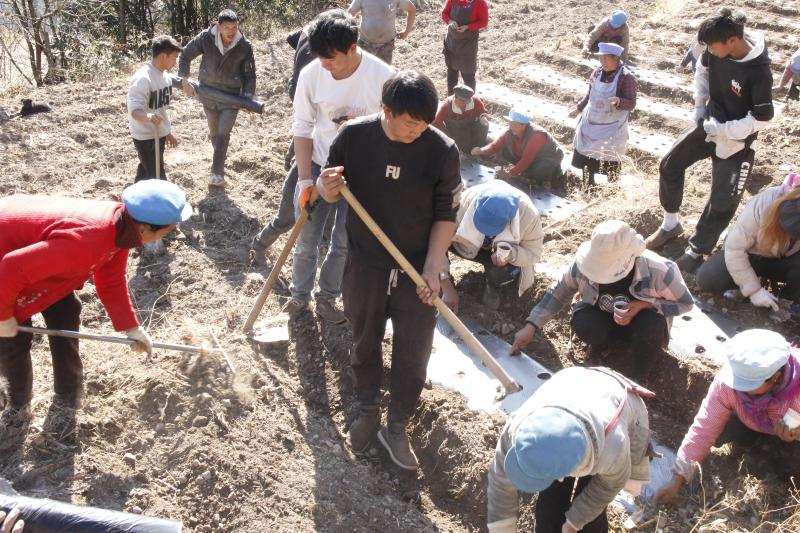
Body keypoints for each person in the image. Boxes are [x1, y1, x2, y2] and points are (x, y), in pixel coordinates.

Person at [316, 71, 461, 470]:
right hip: (365, 263)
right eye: (411, 123)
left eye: (425, 123)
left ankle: (396, 425)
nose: (418, 130)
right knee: (364, 338)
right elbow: (328, 189)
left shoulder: (442, 151)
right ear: (387, 111)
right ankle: (367, 408)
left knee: (414, 349)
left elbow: (446, 215)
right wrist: (327, 186)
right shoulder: (354, 137)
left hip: (417, 269)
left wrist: (434, 269)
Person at [0, 180, 192, 419]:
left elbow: (111, 281)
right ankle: (18, 407)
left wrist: (131, 327)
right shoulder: (90, 238)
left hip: (32, 255)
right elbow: (12, 268)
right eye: (169, 228)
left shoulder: (123, 229)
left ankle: (69, 394)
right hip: (5, 253)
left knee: (66, 311)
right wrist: (3, 316)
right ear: (145, 228)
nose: (172, 231)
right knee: (13, 337)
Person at [265, 9, 394, 324]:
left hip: (361, 172)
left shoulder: (383, 77)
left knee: (343, 242)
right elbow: (302, 128)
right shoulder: (311, 74)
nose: (324, 64)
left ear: (353, 48)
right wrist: (305, 181)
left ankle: (327, 297)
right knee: (306, 238)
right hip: (319, 164)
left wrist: (361, 129)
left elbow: (393, 128)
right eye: (319, 57)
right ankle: (299, 296)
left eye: (331, 58)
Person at [644, 9, 774, 273]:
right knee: (670, 164)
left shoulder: (758, 71)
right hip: (710, 121)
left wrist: (725, 130)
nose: (710, 51)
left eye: (713, 47)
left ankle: (697, 251)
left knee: (722, 200)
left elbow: (762, 118)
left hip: (736, 140)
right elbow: (702, 73)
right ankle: (670, 224)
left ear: (732, 41)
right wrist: (700, 107)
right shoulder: (715, 51)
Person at [511, 221, 693, 377]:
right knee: (583, 320)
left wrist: (645, 304)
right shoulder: (584, 266)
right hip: (603, 320)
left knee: (652, 325)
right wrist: (531, 326)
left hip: (639, 327)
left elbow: (685, 303)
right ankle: (601, 347)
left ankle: (638, 373)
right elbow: (558, 293)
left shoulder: (660, 271)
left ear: (626, 262)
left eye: (603, 273)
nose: (596, 278)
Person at [487, 366, 652, 533]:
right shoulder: (516, 430)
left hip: (620, 407)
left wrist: (574, 523)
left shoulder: (613, 451)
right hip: (573, 382)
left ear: (561, 476)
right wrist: (502, 528)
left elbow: (607, 487)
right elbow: (500, 480)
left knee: (589, 521)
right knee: (550, 504)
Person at [654, 329, 800, 504]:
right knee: (718, 432)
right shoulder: (728, 385)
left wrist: (795, 435)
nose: (739, 389)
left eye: (748, 385)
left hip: (788, 437)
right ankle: (747, 442)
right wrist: (678, 477)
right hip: (750, 421)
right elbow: (704, 427)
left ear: (775, 377)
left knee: (768, 469)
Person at [250, 24, 318, 265]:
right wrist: (293, 152)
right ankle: (259, 245)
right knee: (287, 217)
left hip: (333, 169)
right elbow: (304, 128)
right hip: (307, 165)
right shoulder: (312, 73)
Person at [696, 173, 800, 309]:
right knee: (708, 277)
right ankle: (744, 287)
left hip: (786, 259)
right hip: (752, 255)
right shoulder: (763, 205)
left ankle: (786, 302)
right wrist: (754, 291)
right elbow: (735, 250)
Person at [178, 9, 256, 188]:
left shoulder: (244, 45)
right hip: (208, 93)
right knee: (214, 132)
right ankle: (219, 158)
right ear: (218, 26)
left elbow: (250, 75)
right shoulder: (206, 38)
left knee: (223, 133)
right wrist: (184, 79)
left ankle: (217, 174)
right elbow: (186, 54)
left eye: (234, 27)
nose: (231, 31)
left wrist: (248, 97)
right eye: (227, 27)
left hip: (231, 96)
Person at [440, 180, 543, 312]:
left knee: (502, 273)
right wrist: (446, 285)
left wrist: (511, 255)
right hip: (465, 243)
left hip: (500, 253)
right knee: (436, 244)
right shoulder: (464, 203)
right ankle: (443, 282)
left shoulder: (528, 216)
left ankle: (495, 292)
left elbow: (534, 253)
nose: (486, 231)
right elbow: (438, 239)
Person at [568, 42, 637, 186]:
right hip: (591, 121)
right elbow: (589, 94)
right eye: (601, 58)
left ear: (616, 58)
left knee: (610, 159)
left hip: (612, 128)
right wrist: (579, 109)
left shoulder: (626, 77)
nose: (602, 61)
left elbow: (631, 103)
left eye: (606, 58)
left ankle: (612, 189)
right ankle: (588, 186)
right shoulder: (597, 72)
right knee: (587, 157)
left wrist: (619, 101)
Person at [127, 35, 182, 183]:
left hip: (158, 133)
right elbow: (134, 112)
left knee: (146, 171)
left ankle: (135, 191)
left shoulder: (165, 76)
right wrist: (149, 118)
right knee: (157, 177)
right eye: (174, 57)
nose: (175, 62)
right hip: (145, 136)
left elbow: (159, 109)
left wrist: (166, 132)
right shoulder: (143, 79)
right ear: (163, 56)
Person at [471, 109, 565, 188]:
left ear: (524, 125)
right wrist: (481, 151)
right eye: (510, 123)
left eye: (515, 125)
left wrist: (509, 174)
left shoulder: (537, 136)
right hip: (527, 158)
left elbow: (526, 160)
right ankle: (526, 172)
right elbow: (495, 145)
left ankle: (550, 177)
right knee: (504, 150)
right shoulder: (510, 131)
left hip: (546, 159)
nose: (511, 127)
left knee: (541, 169)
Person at [441, 0, 489, 95]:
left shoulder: (480, 3)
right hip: (452, 42)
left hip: (468, 44)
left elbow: (484, 22)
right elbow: (444, 13)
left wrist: (468, 27)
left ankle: (470, 101)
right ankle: (451, 99)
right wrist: (450, 21)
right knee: (451, 72)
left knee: (468, 76)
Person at [348, 0, 416, 65]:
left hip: (386, 45)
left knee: (384, 70)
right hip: (365, 45)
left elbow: (412, 10)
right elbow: (349, 14)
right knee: (364, 69)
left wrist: (406, 32)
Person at [431, 84, 490, 153]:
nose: (463, 105)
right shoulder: (447, 106)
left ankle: (477, 149)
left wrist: (483, 117)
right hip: (454, 134)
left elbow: (483, 111)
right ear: (455, 98)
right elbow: (436, 122)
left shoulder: (475, 101)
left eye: (465, 102)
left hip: (470, 130)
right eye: (460, 102)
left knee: (484, 125)